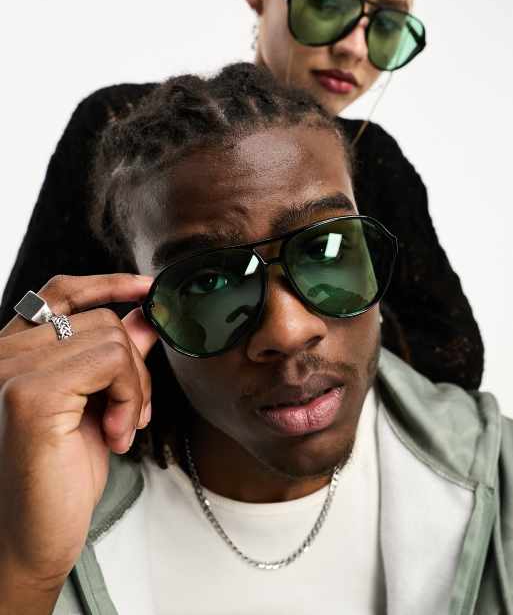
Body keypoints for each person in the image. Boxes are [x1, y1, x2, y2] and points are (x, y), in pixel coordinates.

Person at [0, 64, 511, 615]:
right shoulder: (38, 503)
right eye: (209, 282)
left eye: (326, 249)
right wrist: (25, 571)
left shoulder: (499, 478)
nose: (289, 332)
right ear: (139, 305)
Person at [0, 0, 484, 390]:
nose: (354, 47)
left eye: (388, 25)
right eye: (325, 1)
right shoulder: (126, 132)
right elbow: (32, 330)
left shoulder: (377, 159)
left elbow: (453, 357)